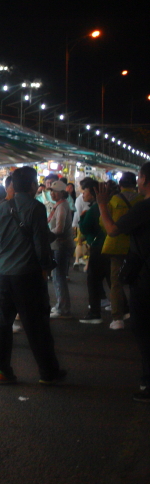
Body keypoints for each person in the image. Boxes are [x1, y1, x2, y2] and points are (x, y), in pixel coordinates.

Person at [0, 166, 65, 385]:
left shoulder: (0, 209)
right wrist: (47, 266)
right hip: (28, 275)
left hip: (4, 276)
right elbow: (41, 244)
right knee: (37, 325)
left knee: (2, 323)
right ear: (33, 185)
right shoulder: (36, 207)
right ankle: (48, 372)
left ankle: (0, 371)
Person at [96, 162, 150, 402]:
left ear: (146, 179)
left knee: (144, 329)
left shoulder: (144, 207)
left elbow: (112, 230)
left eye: (140, 176)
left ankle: (148, 384)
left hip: (146, 278)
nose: (138, 181)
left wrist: (101, 205)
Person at [102, 172, 144, 330]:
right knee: (139, 281)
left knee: (116, 283)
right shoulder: (143, 201)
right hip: (138, 247)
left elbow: (104, 224)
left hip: (117, 246)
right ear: (135, 184)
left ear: (120, 185)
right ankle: (136, 313)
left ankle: (117, 317)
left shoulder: (114, 200)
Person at [79, 178, 110, 324]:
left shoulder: (93, 209)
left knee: (93, 280)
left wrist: (82, 218)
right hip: (110, 246)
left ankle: (95, 313)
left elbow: (85, 228)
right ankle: (123, 309)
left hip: (98, 247)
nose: (83, 194)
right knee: (112, 279)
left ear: (92, 193)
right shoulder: (108, 205)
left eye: (84, 192)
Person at [47, 180, 74, 318]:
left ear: (62, 193)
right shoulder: (58, 205)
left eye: (55, 191)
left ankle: (63, 308)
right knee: (57, 276)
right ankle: (61, 305)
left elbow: (59, 228)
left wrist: (46, 234)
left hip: (61, 246)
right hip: (58, 245)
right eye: (51, 191)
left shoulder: (62, 206)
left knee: (59, 277)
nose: (52, 193)